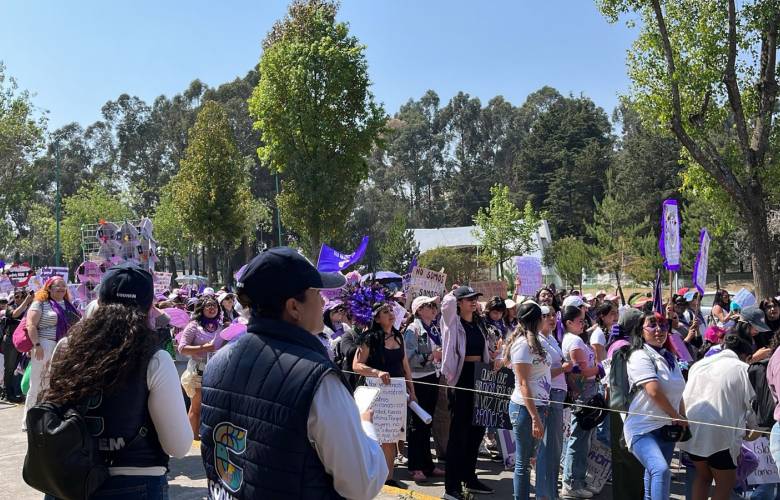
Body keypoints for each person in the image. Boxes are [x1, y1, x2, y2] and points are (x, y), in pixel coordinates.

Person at [199, 247, 387, 499]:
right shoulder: (317, 380)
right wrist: (366, 425)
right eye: (316, 293)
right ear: (293, 307)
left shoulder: (217, 362)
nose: (323, 302)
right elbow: (362, 483)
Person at [40, 262, 192, 500]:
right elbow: (179, 446)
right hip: (134, 480)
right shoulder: (155, 359)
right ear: (148, 305)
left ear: (99, 301)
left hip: (68, 479)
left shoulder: (66, 347)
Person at [680, 331, 756, 500]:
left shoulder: (700, 364)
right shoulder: (743, 369)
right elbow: (753, 407)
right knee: (724, 485)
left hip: (693, 431)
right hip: (721, 435)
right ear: (746, 356)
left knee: (703, 477)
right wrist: (754, 430)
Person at [353, 301, 417, 487]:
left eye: (391, 311)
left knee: (391, 437)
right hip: (374, 392)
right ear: (377, 318)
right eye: (385, 312)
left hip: (395, 393)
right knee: (374, 436)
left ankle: (388, 478)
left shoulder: (399, 337)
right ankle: (371, 476)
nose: (391, 314)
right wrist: (377, 372)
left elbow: (405, 366)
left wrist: (412, 390)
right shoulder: (369, 338)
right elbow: (356, 365)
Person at [624, 311, 686, 500]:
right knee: (661, 470)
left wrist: (682, 417)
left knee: (653, 473)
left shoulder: (669, 357)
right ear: (641, 331)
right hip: (642, 428)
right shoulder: (639, 356)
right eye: (652, 325)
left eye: (663, 325)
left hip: (667, 428)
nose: (658, 329)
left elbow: (678, 391)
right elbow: (653, 390)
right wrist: (675, 415)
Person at [441, 285, 493, 500]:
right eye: (468, 298)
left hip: (480, 376)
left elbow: (485, 349)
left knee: (476, 431)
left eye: (475, 298)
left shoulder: (479, 324)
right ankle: (451, 486)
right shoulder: (452, 322)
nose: (473, 301)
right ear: (459, 303)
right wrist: (453, 293)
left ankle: (469, 478)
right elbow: (445, 305)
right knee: (459, 435)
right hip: (461, 378)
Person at [505, 300, 551, 500]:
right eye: (543, 317)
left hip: (538, 407)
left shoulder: (537, 340)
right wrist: (534, 417)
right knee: (523, 462)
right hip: (524, 409)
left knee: (530, 459)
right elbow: (523, 383)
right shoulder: (522, 345)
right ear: (537, 320)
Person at [23, 276, 80, 427]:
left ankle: (49, 417)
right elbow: (31, 325)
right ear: (48, 288)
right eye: (57, 286)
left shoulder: (69, 306)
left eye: (63, 285)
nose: (61, 288)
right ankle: (28, 420)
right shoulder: (40, 303)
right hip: (44, 346)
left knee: (55, 384)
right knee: (37, 384)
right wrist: (37, 345)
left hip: (63, 347)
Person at [403, 295, 445, 482]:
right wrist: (431, 356)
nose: (434, 308)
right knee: (417, 425)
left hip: (432, 377)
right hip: (418, 380)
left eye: (434, 305)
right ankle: (415, 466)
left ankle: (427, 464)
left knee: (427, 424)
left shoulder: (433, 328)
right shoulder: (414, 329)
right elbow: (409, 358)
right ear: (419, 310)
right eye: (429, 305)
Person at [560, 305, 600, 499]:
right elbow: (581, 371)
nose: (584, 324)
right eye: (580, 320)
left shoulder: (575, 339)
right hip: (583, 393)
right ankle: (570, 483)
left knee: (583, 439)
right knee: (578, 439)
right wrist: (600, 369)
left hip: (584, 392)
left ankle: (577, 480)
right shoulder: (574, 340)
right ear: (569, 323)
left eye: (584, 320)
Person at [535, 304, 571, 500]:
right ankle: (545, 494)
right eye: (545, 315)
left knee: (554, 446)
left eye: (552, 314)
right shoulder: (538, 340)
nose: (550, 318)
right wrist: (564, 368)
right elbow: (543, 372)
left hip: (558, 392)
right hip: (550, 393)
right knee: (549, 447)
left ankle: (549, 492)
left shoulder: (551, 339)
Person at [177, 295, 226, 438]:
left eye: (215, 305)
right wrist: (203, 348)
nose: (212, 308)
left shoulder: (221, 327)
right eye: (208, 305)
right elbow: (182, 348)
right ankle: (193, 438)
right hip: (198, 371)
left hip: (216, 371)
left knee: (212, 406)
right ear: (201, 308)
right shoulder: (193, 326)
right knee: (197, 407)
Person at [2, 288, 31, 403]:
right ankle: (8, 393)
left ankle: (17, 391)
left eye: (20, 296)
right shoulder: (10, 307)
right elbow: (14, 314)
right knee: (9, 369)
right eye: (16, 296)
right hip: (11, 342)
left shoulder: (30, 307)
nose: (17, 298)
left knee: (21, 369)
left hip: (24, 342)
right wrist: (26, 301)